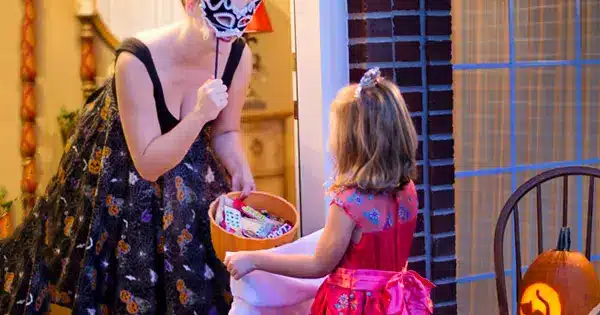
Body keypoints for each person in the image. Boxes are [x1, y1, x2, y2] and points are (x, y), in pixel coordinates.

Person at [0, 0, 260, 314]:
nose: (232, 30)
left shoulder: (238, 55)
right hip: (122, 173)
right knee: (132, 281)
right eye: (223, 13)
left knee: (194, 271)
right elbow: (147, 164)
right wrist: (199, 113)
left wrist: (239, 165)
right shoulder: (135, 60)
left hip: (188, 170)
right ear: (190, 4)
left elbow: (225, 132)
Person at [225, 68, 435, 314]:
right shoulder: (407, 190)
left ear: (349, 141)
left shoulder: (349, 203)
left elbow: (318, 264)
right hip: (397, 303)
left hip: (355, 307)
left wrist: (253, 260)